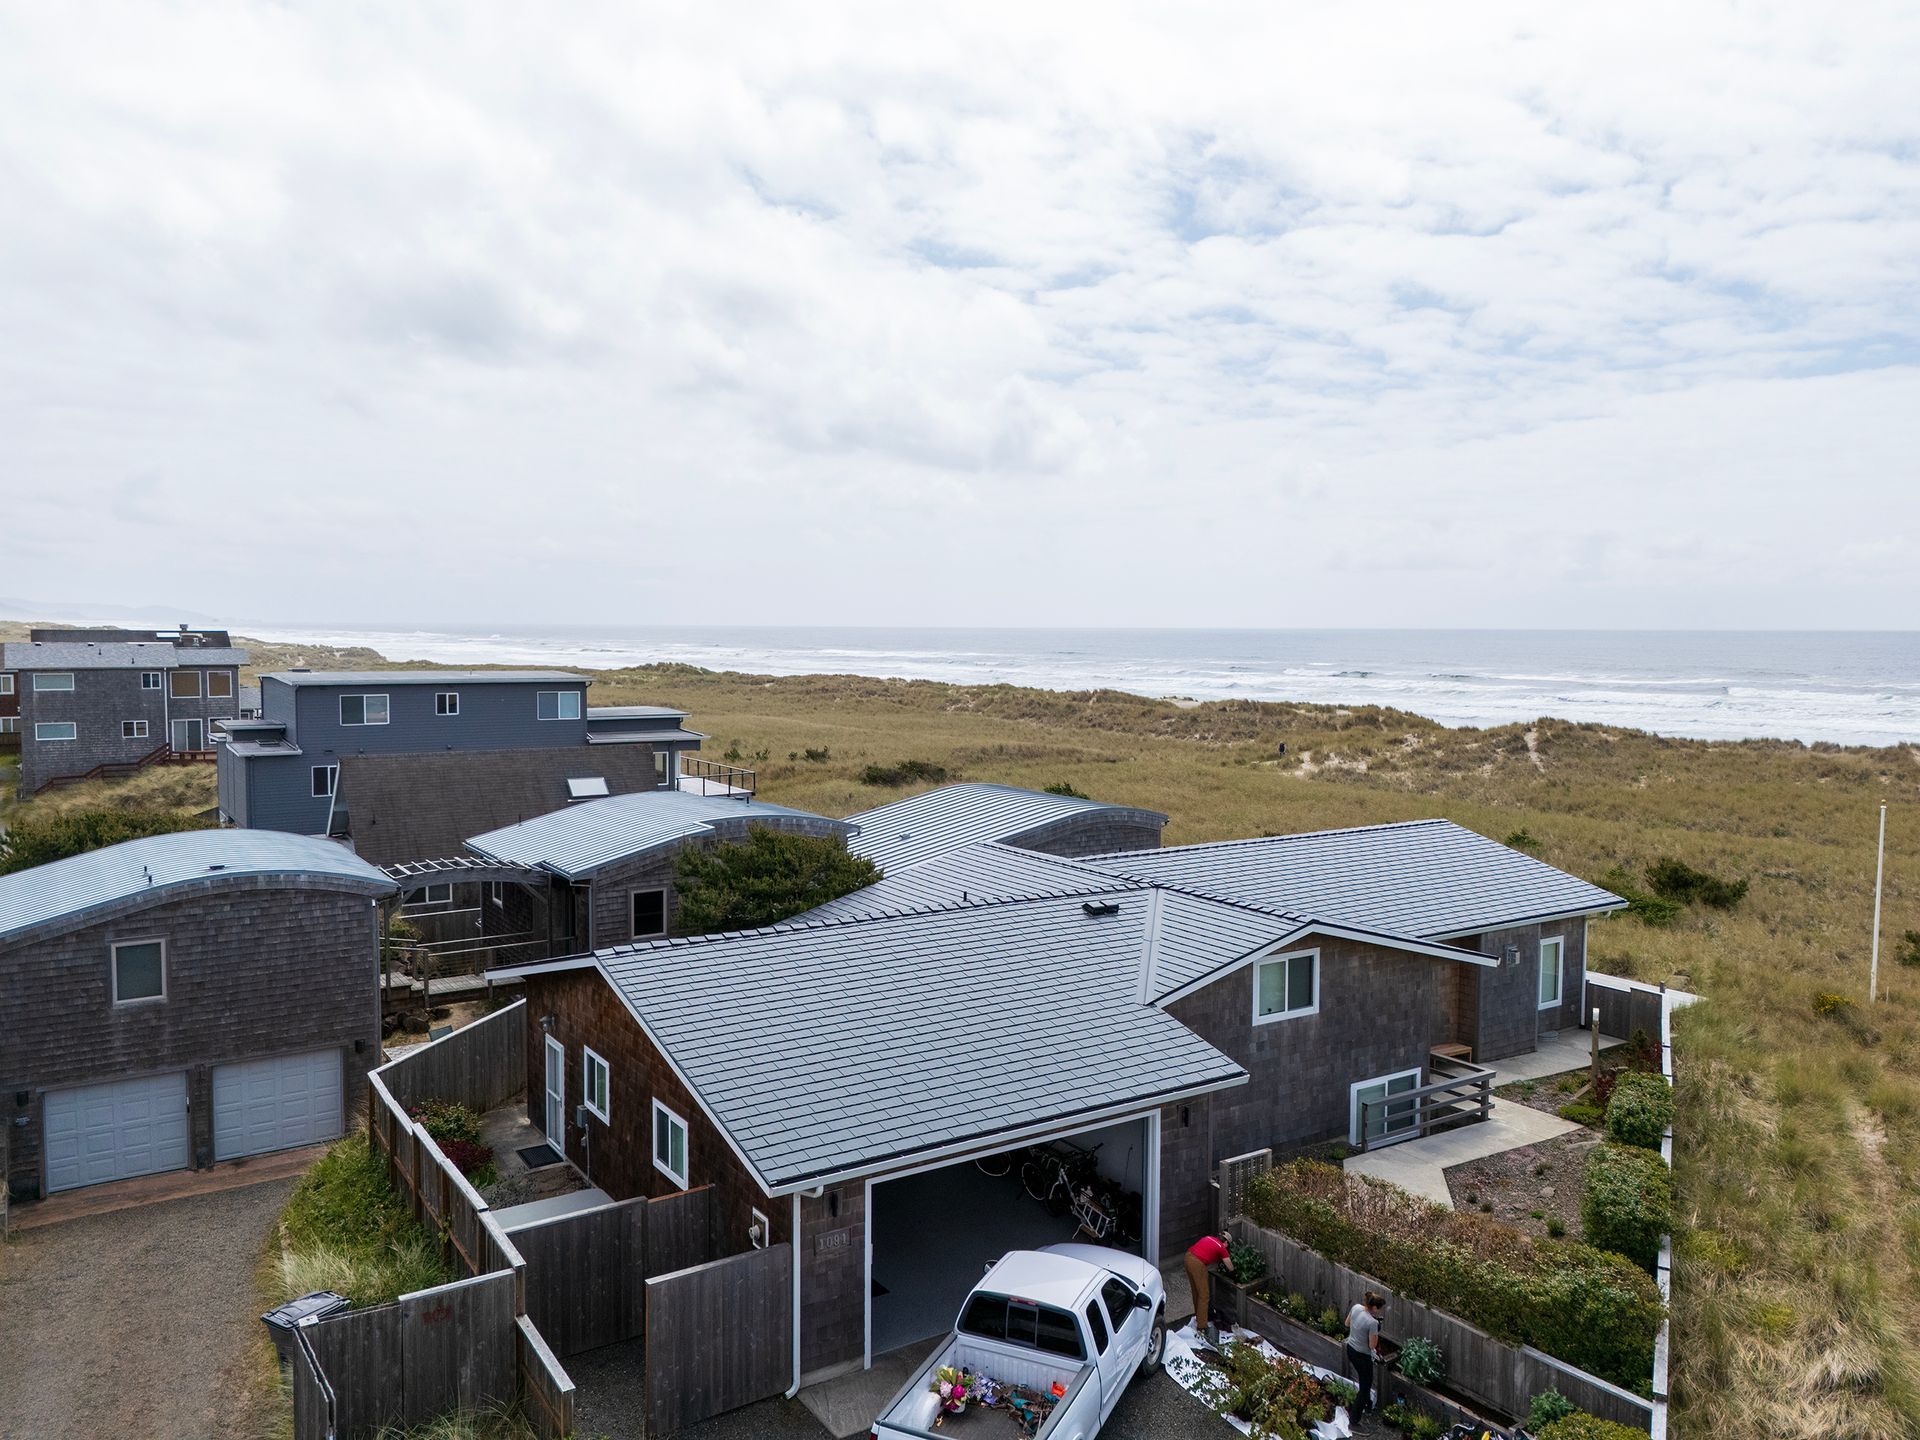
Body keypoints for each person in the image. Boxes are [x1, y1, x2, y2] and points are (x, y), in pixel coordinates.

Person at [1184, 1231, 1235, 1344]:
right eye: (1228, 1245)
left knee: (1196, 1292)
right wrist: (1233, 1272)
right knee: (1204, 1295)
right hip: (1197, 1263)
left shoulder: (1208, 1238)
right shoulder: (1222, 1247)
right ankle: (1202, 1326)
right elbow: (1230, 1267)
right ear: (1226, 1242)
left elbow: (1207, 1252)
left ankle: (1199, 1316)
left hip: (1188, 1257)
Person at [1345, 1291, 1386, 1417]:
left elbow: (1347, 1324)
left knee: (1365, 1381)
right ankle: (1354, 1419)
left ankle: (1367, 1404)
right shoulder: (1373, 1323)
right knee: (1365, 1386)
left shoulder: (1356, 1307)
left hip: (1350, 1349)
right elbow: (1372, 1345)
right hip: (1362, 1356)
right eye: (1378, 1309)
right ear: (1374, 1307)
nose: (1378, 1311)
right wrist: (1375, 1329)